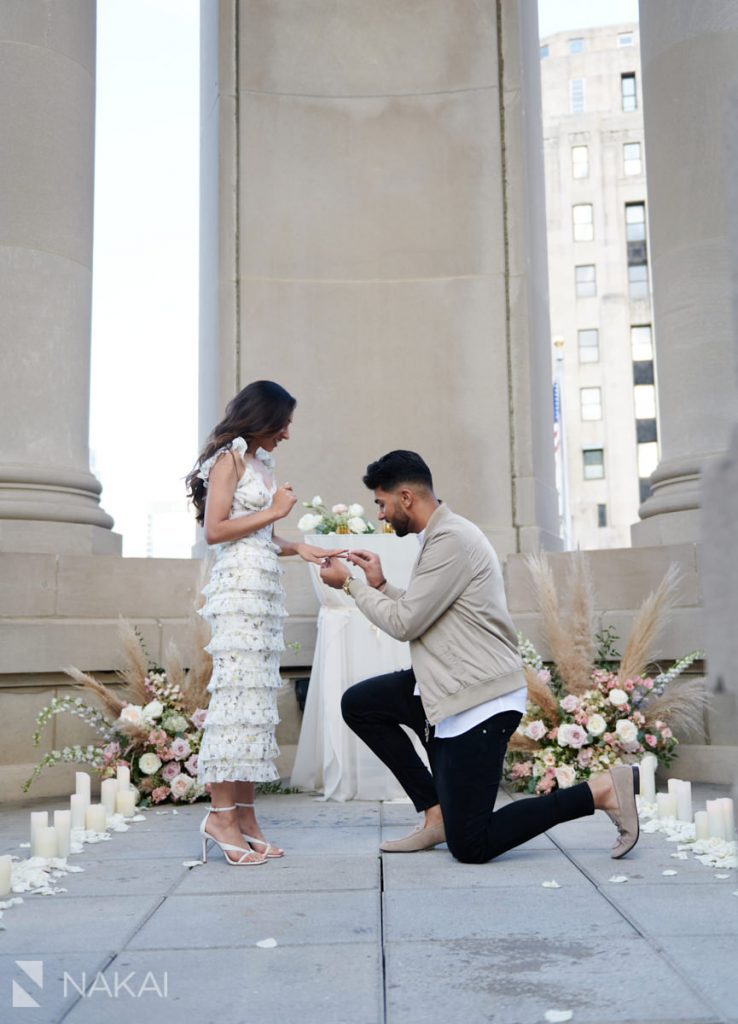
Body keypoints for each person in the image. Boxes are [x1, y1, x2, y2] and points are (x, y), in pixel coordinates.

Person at [319, 450, 639, 864]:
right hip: (445, 685)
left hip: (478, 701)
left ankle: (599, 792)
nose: (381, 515)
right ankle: (436, 814)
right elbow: (425, 609)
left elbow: (405, 624)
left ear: (406, 497)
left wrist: (351, 586)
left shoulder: (451, 539)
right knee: (362, 704)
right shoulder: (440, 536)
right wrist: (379, 585)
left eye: (382, 504)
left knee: (471, 845)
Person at [186, 381, 342, 865]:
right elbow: (216, 531)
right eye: (284, 424)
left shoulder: (260, 463)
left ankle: (247, 817)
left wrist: (300, 546)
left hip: (264, 592)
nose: (287, 435)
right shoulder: (228, 460)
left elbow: (265, 535)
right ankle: (220, 815)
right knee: (235, 702)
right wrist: (274, 511)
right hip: (237, 592)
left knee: (253, 704)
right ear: (262, 418)